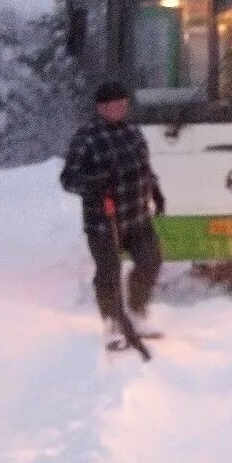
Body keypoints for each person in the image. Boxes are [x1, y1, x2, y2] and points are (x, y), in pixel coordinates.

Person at [60, 81, 166, 344]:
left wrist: (155, 192)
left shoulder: (133, 132)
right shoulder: (86, 137)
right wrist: (93, 184)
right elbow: (68, 178)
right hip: (104, 222)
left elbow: (144, 167)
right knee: (109, 271)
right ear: (100, 108)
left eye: (124, 104)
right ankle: (112, 321)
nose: (120, 109)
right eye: (114, 105)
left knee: (151, 261)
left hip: (137, 217)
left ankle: (136, 311)